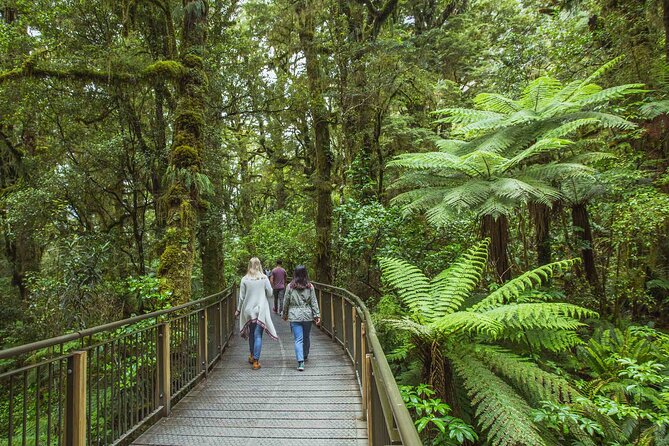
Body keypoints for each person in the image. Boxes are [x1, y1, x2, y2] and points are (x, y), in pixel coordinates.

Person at [235, 257, 278, 370]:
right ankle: (256, 361)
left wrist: (238, 310)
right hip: (260, 310)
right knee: (258, 335)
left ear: (249, 265)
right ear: (259, 265)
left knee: (252, 333)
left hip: (248, 310)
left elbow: (241, 298)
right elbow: (270, 294)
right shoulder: (264, 278)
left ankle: (252, 355)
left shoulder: (244, 279)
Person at [282, 265, 320, 371]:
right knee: (306, 337)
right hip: (307, 315)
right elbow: (313, 301)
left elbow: (286, 301)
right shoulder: (310, 286)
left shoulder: (290, 286)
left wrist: (284, 314)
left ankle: (300, 362)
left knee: (298, 339)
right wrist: (317, 315)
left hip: (294, 316)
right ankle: (305, 355)